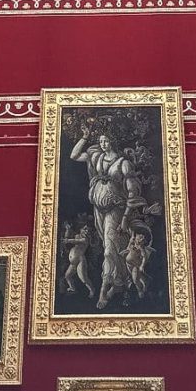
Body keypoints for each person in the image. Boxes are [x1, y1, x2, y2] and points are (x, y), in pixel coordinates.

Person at [70, 127, 148, 309]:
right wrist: (84, 138)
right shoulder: (97, 157)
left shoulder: (123, 163)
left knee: (109, 251)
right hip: (99, 211)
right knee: (110, 248)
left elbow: (132, 192)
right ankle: (118, 283)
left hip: (116, 211)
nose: (103, 144)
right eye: (101, 141)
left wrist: (125, 218)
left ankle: (103, 292)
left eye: (106, 141)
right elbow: (74, 156)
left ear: (112, 142)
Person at [62, 223, 95, 299]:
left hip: (80, 261)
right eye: (85, 229)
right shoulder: (77, 235)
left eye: (88, 230)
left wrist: (68, 240)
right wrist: (68, 229)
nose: (86, 231)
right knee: (67, 276)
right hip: (73, 262)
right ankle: (72, 288)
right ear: (80, 229)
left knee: (83, 278)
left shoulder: (85, 239)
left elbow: (76, 241)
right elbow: (69, 237)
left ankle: (92, 290)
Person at [120, 228, 154, 299]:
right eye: (140, 237)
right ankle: (145, 283)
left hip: (135, 265)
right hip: (128, 265)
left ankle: (140, 290)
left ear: (145, 242)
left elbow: (144, 257)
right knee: (139, 277)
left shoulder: (141, 248)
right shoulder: (132, 242)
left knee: (135, 279)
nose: (141, 240)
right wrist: (124, 252)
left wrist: (142, 266)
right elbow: (129, 248)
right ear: (136, 236)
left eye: (143, 239)